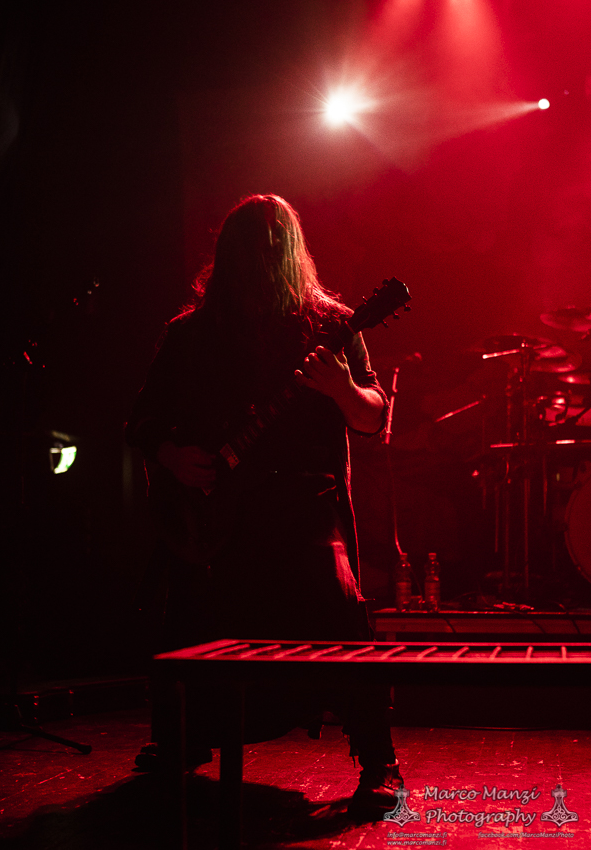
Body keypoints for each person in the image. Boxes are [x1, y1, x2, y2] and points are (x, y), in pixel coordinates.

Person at [126, 194, 402, 819]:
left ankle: (379, 760)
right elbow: (140, 420)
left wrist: (342, 388)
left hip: (307, 506)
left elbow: (372, 418)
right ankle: (181, 738)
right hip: (213, 512)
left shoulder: (333, 325)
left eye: (271, 248)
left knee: (340, 618)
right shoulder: (189, 334)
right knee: (195, 623)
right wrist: (172, 455)